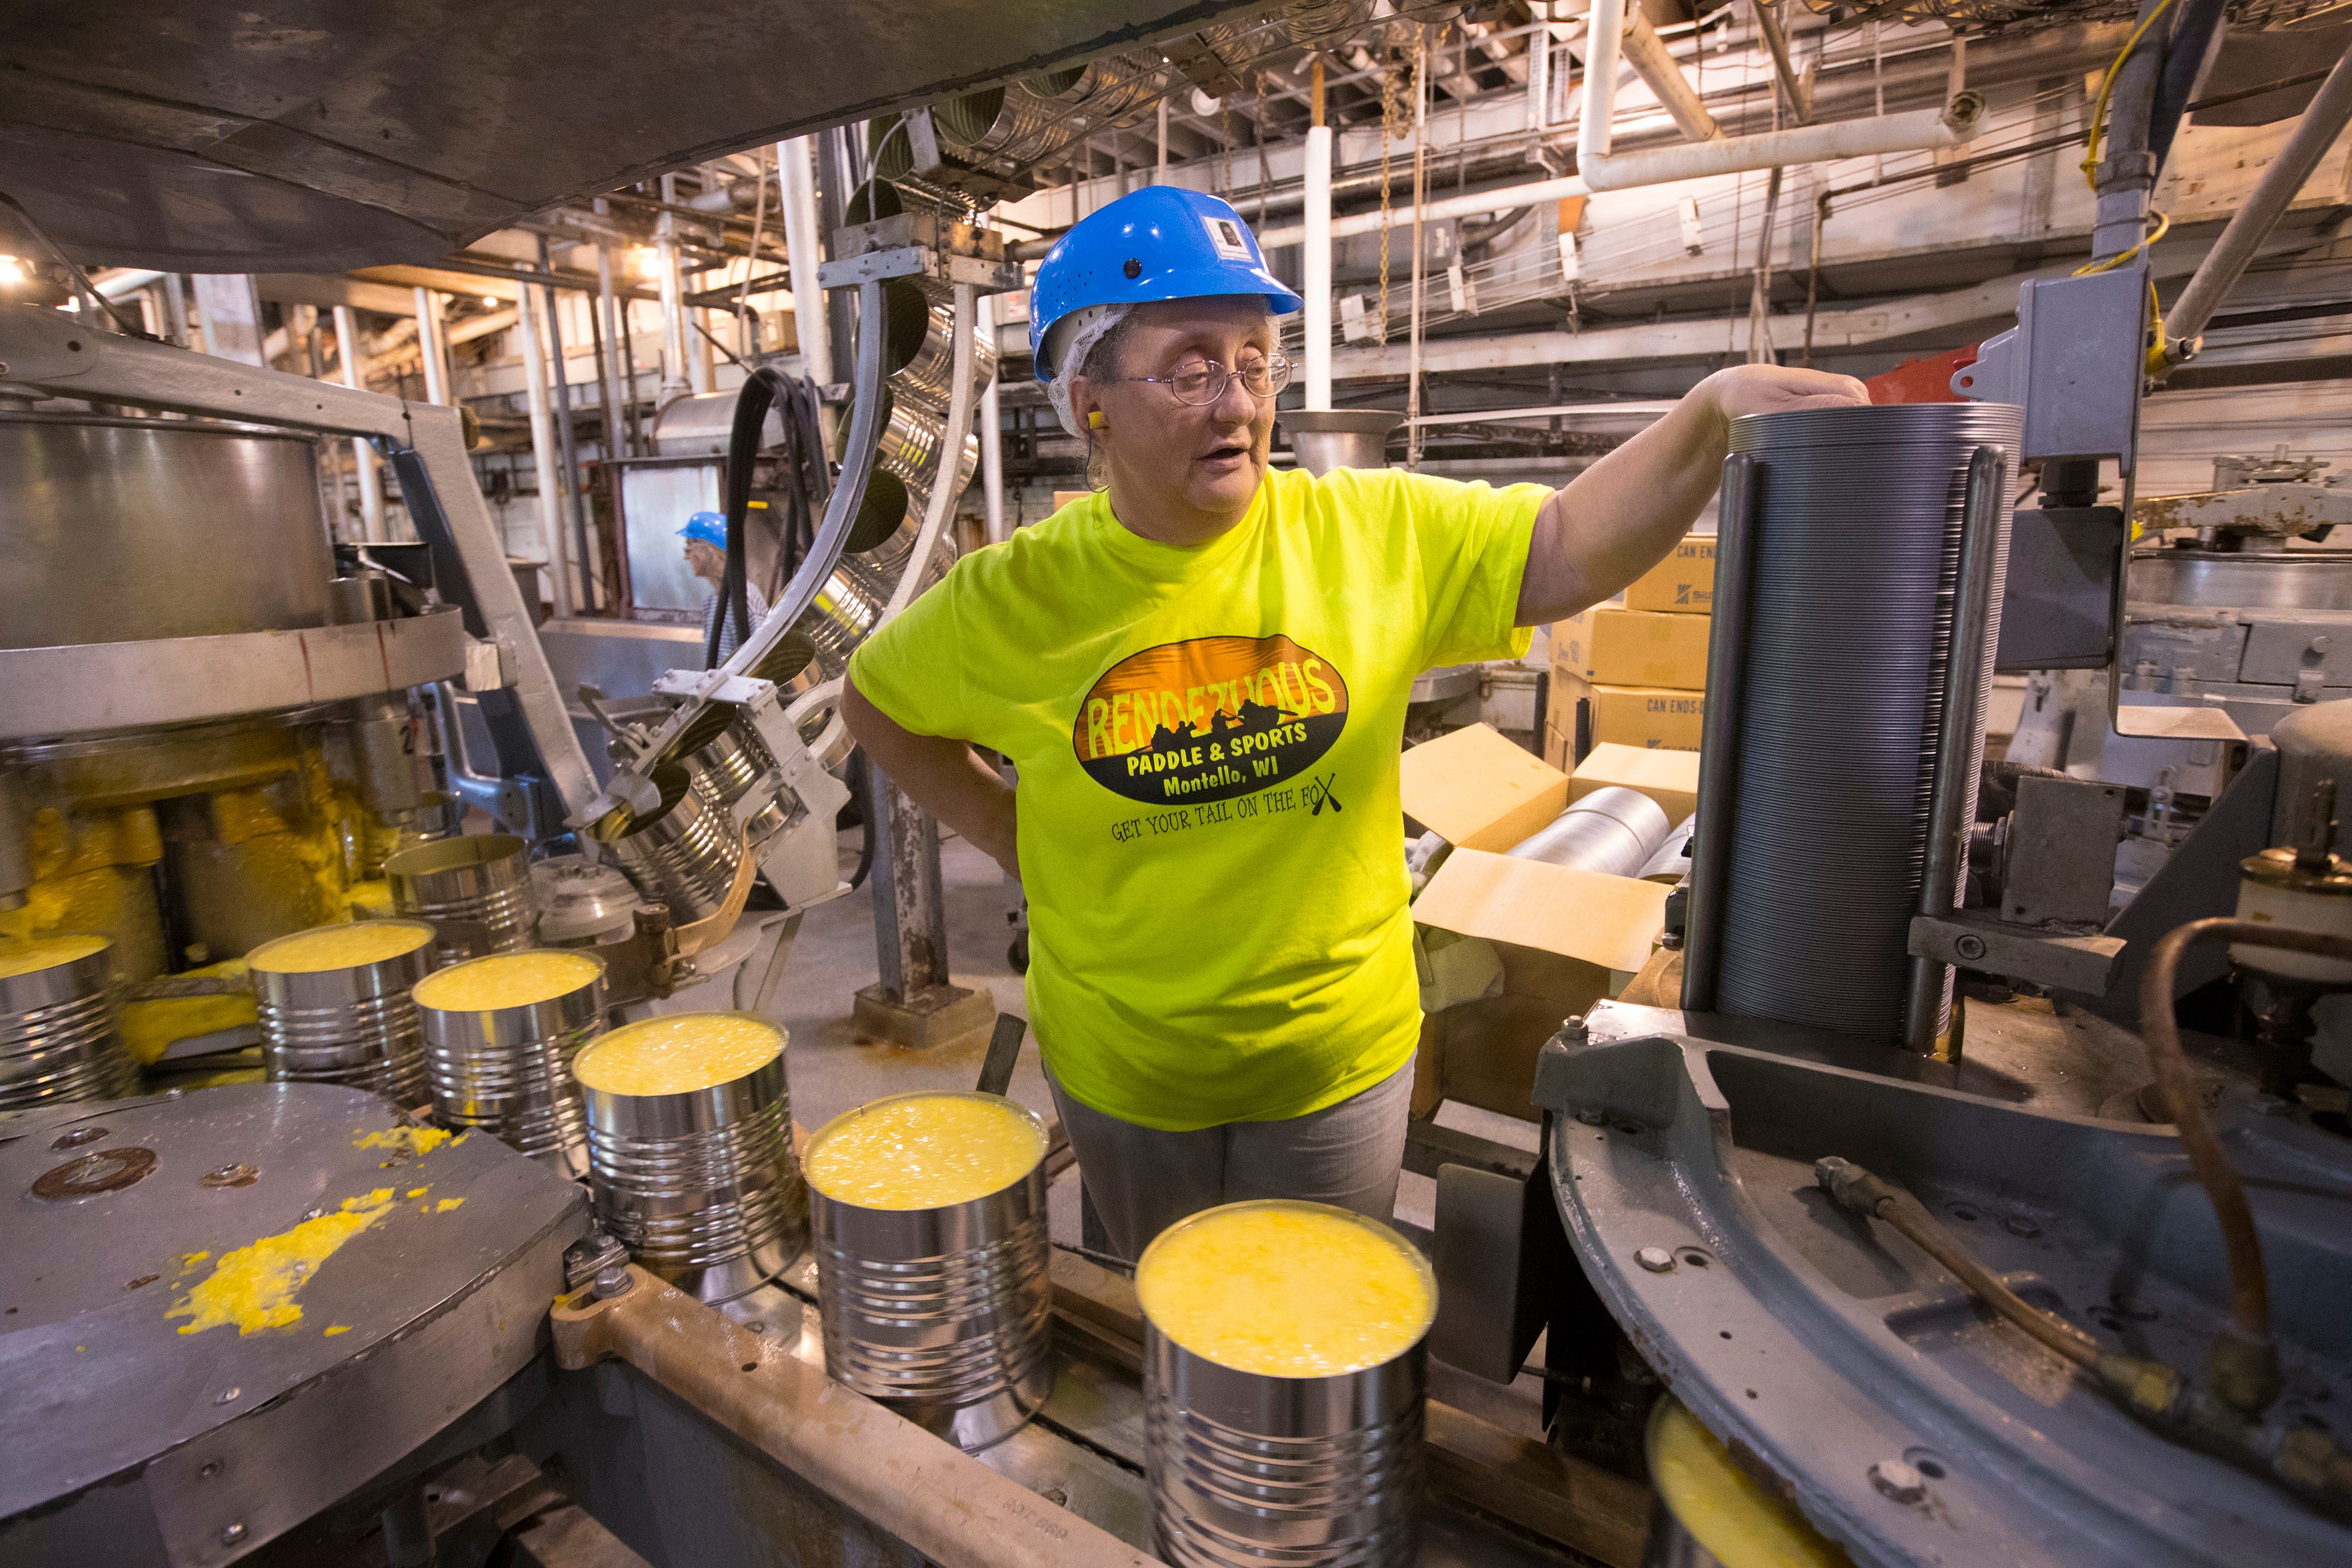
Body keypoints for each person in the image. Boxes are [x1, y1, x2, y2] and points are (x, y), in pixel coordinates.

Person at [843, 186, 1867, 1261]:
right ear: (1089, 397)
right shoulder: (1012, 599)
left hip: (1334, 1065)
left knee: (1322, 1324)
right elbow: (877, 703)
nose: (1236, 403)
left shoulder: (1369, 533)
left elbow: (1562, 544)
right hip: (1128, 1070)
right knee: (1177, 1323)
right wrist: (1011, 832)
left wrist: (1704, 419)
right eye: (1190, 368)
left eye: (1253, 360)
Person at [678, 510, 769, 663]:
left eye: (689, 549)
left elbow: (763, 658)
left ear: (710, 551)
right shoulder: (712, 603)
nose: (686, 557)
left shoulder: (745, 599)